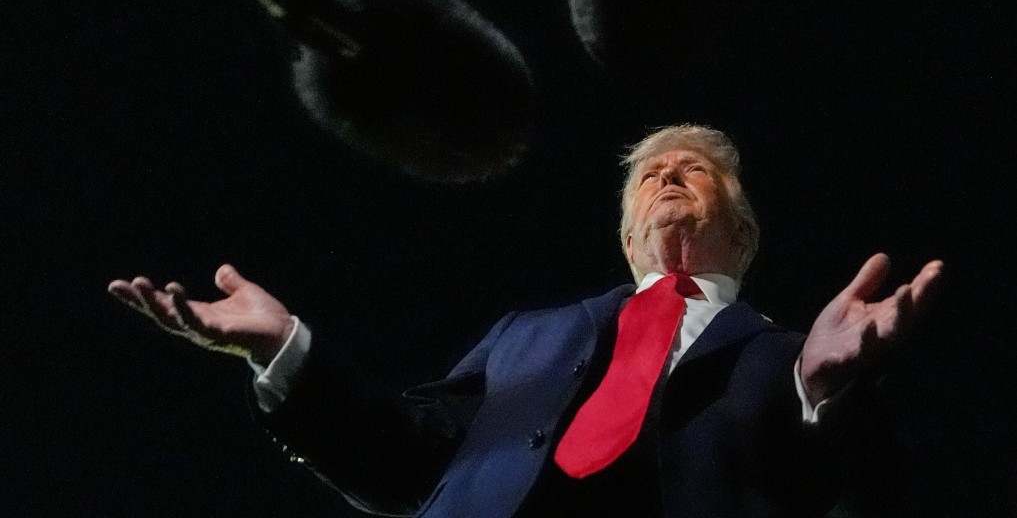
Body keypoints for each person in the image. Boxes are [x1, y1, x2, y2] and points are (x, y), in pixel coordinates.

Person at [108, 124, 942, 517]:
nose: (670, 176)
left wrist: (834, 396)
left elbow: (873, 497)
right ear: (626, 235)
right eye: (651, 173)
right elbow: (403, 460)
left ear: (745, 233)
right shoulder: (523, 338)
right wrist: (287, 351)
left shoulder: (793, 359)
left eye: (695, 171)